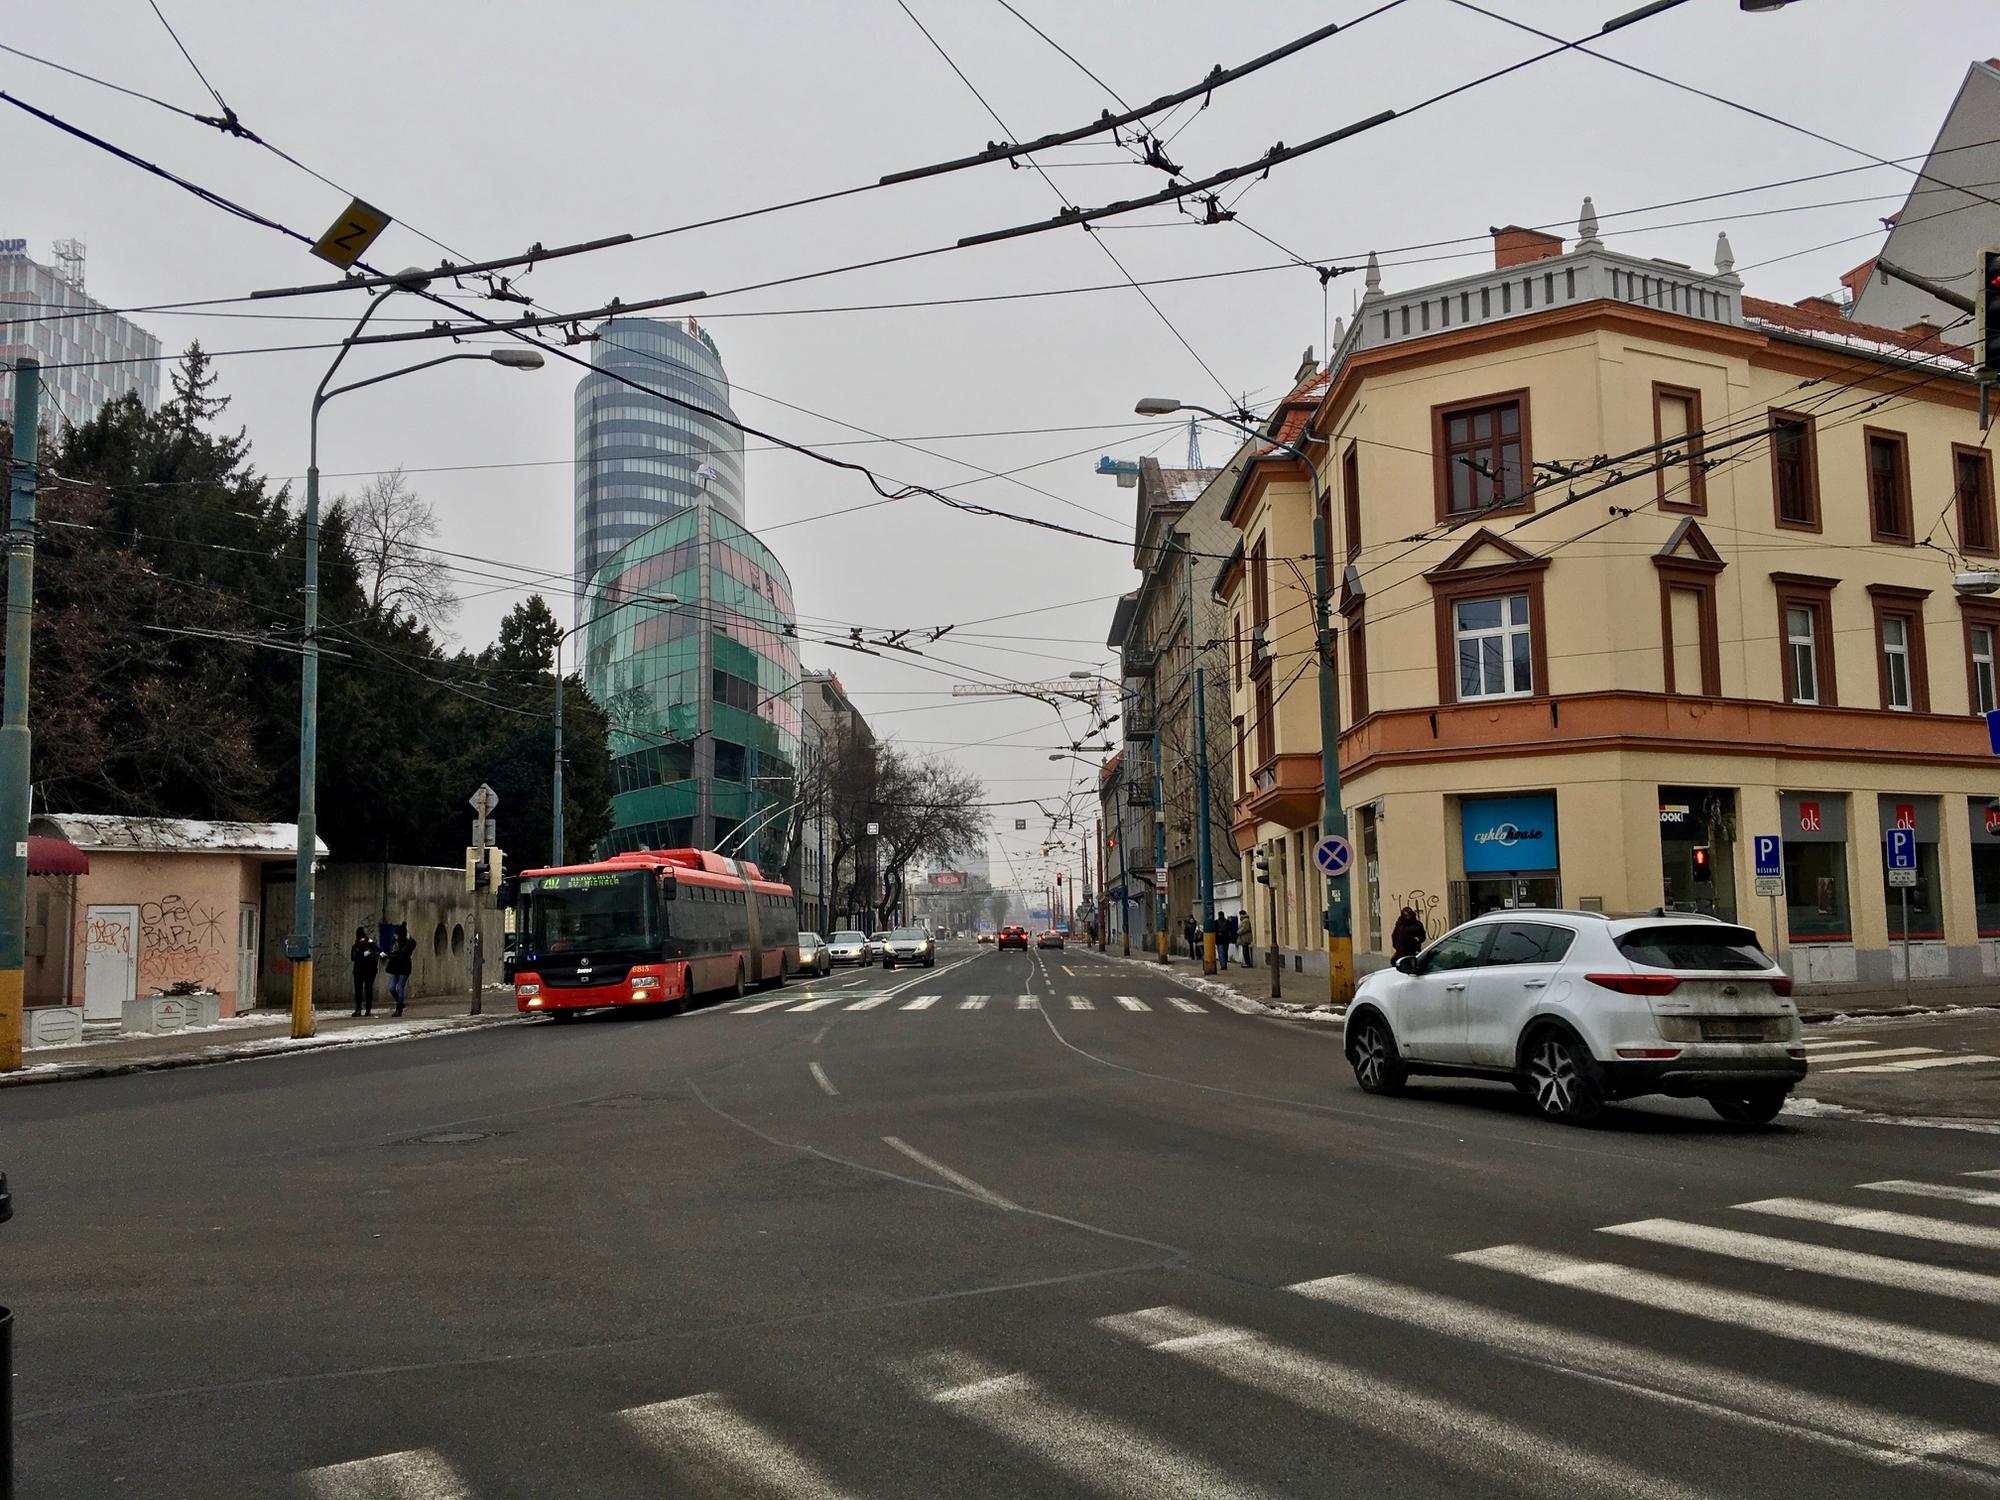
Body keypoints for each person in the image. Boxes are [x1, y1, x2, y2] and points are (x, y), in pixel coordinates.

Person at [349, 927, 380, 1016]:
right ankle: (361, 1009)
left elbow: (377, 951)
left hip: (368, 970)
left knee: (367, 990)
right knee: (361, 990)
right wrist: (363, 955)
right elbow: (353, 957)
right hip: (361, 970)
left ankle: (366, 1009)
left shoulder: (370, 944)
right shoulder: (356, 945)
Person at [385, 931, 414, 1017]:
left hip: (404, 968)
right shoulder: (395, 943)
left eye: (396, 934)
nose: (395, 936)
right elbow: (392, 952)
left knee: (400, 987)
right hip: (395, 967)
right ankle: (400, 1003)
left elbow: (403, 954)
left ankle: (399, 1009)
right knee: (391, 988)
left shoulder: (407, 944)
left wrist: (409, 938)